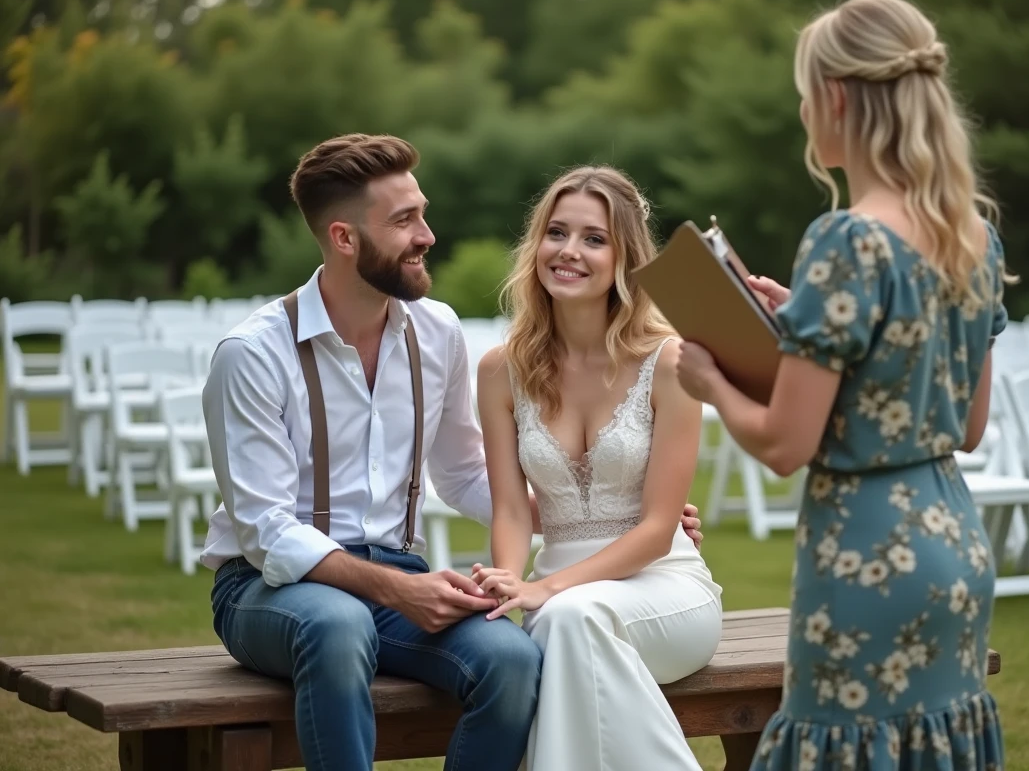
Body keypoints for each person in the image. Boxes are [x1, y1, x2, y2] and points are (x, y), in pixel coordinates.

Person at [197, 133, 706, 771]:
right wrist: (394, 589)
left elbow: (467, 474)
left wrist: (611, 512)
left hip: (396, 576)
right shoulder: (253, 355)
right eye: (404, 220)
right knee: (337, 626)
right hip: (268, 588)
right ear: (345, 238)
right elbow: (267, 532)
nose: (428, 234)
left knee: (513, 660)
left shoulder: (436, 332)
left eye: (423, 212)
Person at [675, 0, 1012, 771]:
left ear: (834, 97)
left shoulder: (845, 240)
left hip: (864, 554)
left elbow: (786, 444)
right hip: (953, 543)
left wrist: (711, 381)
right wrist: (806, 320)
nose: (801, 110)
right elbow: (965, 424)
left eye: (804, 91)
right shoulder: (973, 235)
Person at [471, 165, 725, 771]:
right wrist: (509, 588)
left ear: (625, 257)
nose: (569, 251)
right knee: (566, 628)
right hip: (555, 600)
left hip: (664, 592)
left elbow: (659, 528)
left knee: (570, 619)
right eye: (556, 232)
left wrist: (544, 588)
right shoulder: (499, 371)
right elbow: (510, 507)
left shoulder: (669, 362)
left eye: (594, 238)